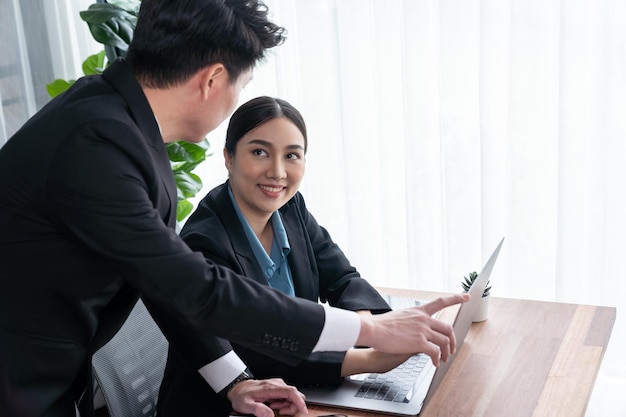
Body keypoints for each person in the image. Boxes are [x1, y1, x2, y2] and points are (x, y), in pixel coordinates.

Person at [0, 1, 468, 417]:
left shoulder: (114, 122)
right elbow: (199, 289)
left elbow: (166, 288)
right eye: (240, 86)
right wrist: (365, 329)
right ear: (213, 79)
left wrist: (234, 381)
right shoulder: (98, 146)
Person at [157, 96, 420, 416]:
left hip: (295, 389)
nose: (278, 172)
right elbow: (251, 349)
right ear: (229, 157)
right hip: (222, 405)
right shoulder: (205, 240)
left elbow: (341, 277)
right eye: (259, 152)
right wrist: (368, 360)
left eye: (292, 155)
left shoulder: (290, 208)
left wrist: (369, 329)